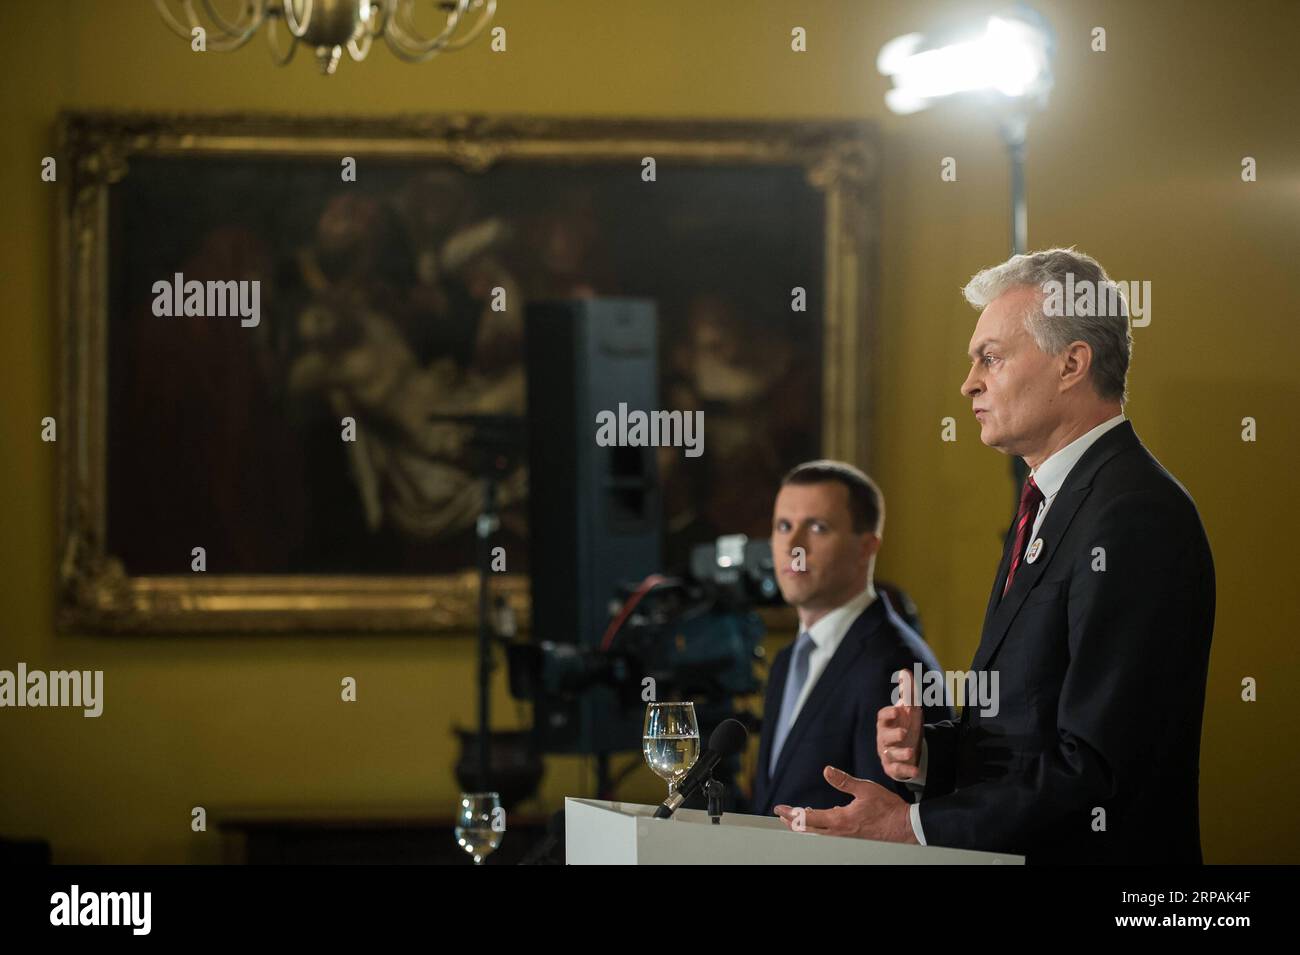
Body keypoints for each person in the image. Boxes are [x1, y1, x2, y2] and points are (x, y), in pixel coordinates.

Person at [775, 249, 1215, 863]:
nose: (969, 382)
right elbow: (1029, 732)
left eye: (991, 357)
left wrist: (915, 826)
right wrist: (931, 753)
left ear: (1072, 364)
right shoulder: (1049, 502)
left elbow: (1098, 766)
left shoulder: (1132, 514)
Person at [750, 461, 951, 817]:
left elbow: (889, 829)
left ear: (865, 547)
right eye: (784, 526)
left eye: (817, 527)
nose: (793, 546)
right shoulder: (785, 661)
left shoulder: (894, 662)